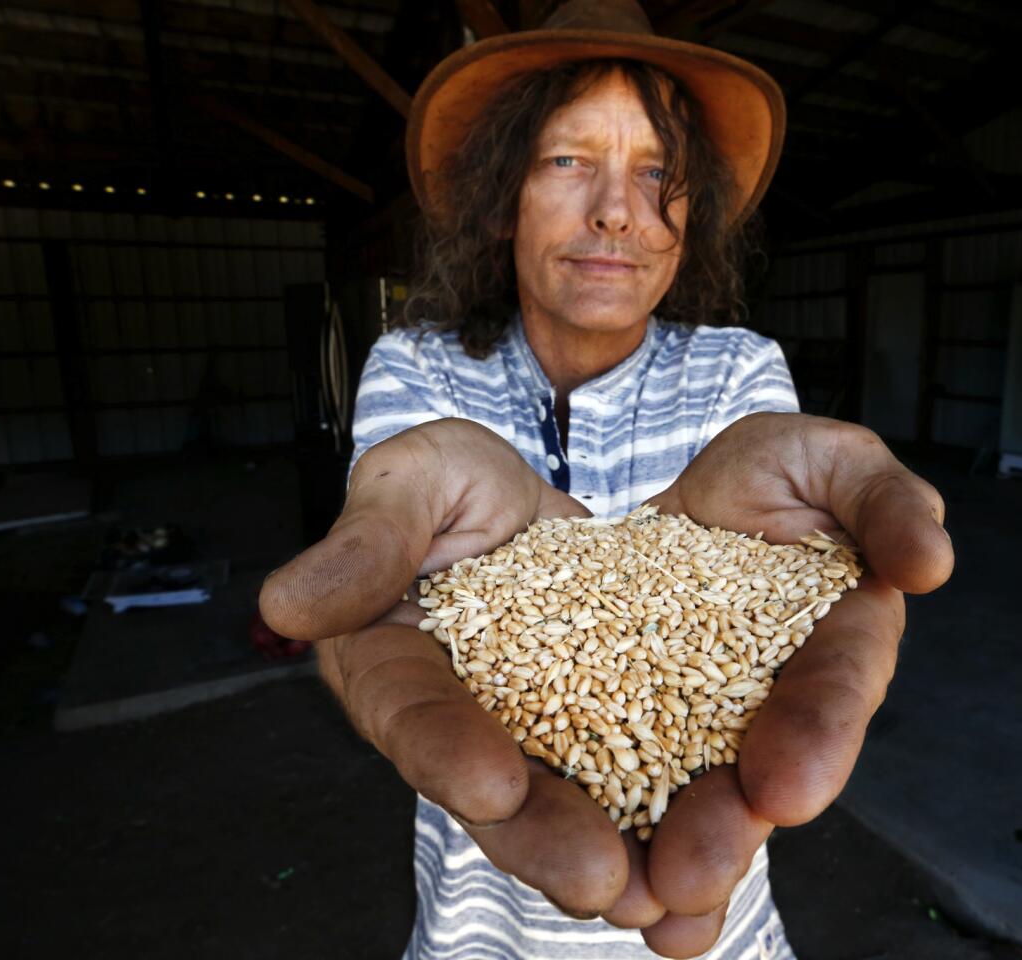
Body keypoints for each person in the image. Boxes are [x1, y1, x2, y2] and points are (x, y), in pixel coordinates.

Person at [260, 2, 954, 957]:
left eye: (658, 171)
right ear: (504, 195)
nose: (617, 210)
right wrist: (351, 634)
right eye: (567, 160)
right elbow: (382, 588)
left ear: (689, 210)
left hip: (723, 917)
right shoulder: (418, 370)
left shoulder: (738, 371)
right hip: (480, 923)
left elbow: (776, 587)